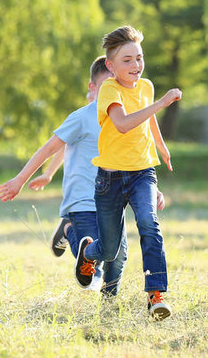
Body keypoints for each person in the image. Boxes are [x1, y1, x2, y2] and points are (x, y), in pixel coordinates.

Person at [0, 56, 129, 295]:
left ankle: (108, 300)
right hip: (83, 197)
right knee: (89, 243)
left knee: (116, 254)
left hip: (112, 200)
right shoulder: (82, 117)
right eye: (105, 85)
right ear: (92, 88)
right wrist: (21, 179)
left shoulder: (123, 121)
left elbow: (133, 158)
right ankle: (83, 254)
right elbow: (52, 147)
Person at [74, 26, 181, 320]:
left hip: (142, 173)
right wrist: (161, 104)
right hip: (110, 179)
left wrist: (161, 146)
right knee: (109, 250)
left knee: (149, 223)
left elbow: (149, 119)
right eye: (127, 60)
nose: (136, 66)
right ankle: (88, 254)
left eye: (139, 58)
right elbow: (122, 123)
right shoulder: (109, 89)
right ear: (110, 65)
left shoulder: (146, 86)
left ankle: (155, 295)